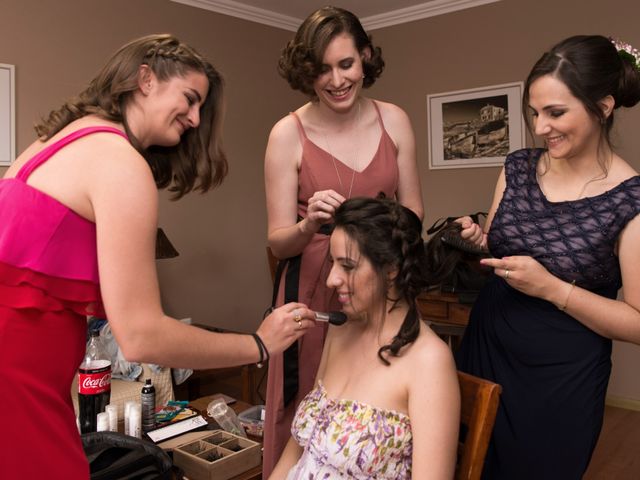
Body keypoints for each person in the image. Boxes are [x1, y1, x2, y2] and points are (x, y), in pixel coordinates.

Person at [0, 34, 317, 479]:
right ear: (144, 79)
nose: (194, 118)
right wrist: (258, 344)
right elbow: (142, 334)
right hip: (18, 385)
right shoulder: (119, 162)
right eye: (190, 99)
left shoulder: (49, 144)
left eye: (201, 108)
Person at [456, 35, 640, 479]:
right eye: (535, 113)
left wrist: (553, 289)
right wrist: (476, 240)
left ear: (604, 106)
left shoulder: (630, 199)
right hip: (485, 350)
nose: (541, 127)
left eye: (556, 112)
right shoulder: (517, 167)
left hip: (560, 381)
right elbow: (501, 247)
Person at [262, 7, 424, 475]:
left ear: (366, 58)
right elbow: (278, 243)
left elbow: (413, 211)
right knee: (309, 411)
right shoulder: (285, 135)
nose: (336, 80)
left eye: (346, 64)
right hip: (314, 291)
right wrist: (309, 223)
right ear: (305, 72)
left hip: (384, 287)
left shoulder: (394, 120)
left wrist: (375, 234)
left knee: (382, 408)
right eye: (321, 69)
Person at [269, 197, 459, 479]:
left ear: (391, 269)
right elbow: (299, 448)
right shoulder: (339, 329)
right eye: (332, 263)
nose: (331, 280)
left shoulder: (428, 360)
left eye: (347, 266)